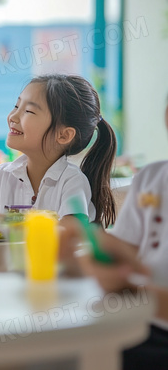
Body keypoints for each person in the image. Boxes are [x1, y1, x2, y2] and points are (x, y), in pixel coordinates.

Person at [64, 100, 168, 369]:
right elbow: (123, 258)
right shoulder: (153, 179)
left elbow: (131, 285)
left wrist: (135, 293)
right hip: (135, 327)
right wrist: (85, 261)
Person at [0, 74, 117, 225]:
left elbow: (69, 233)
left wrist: (14, 224)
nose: (13, 116)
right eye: (16, 106)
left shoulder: (72, 181)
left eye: (29, 111)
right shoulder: (1, 176)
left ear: (64, 135)